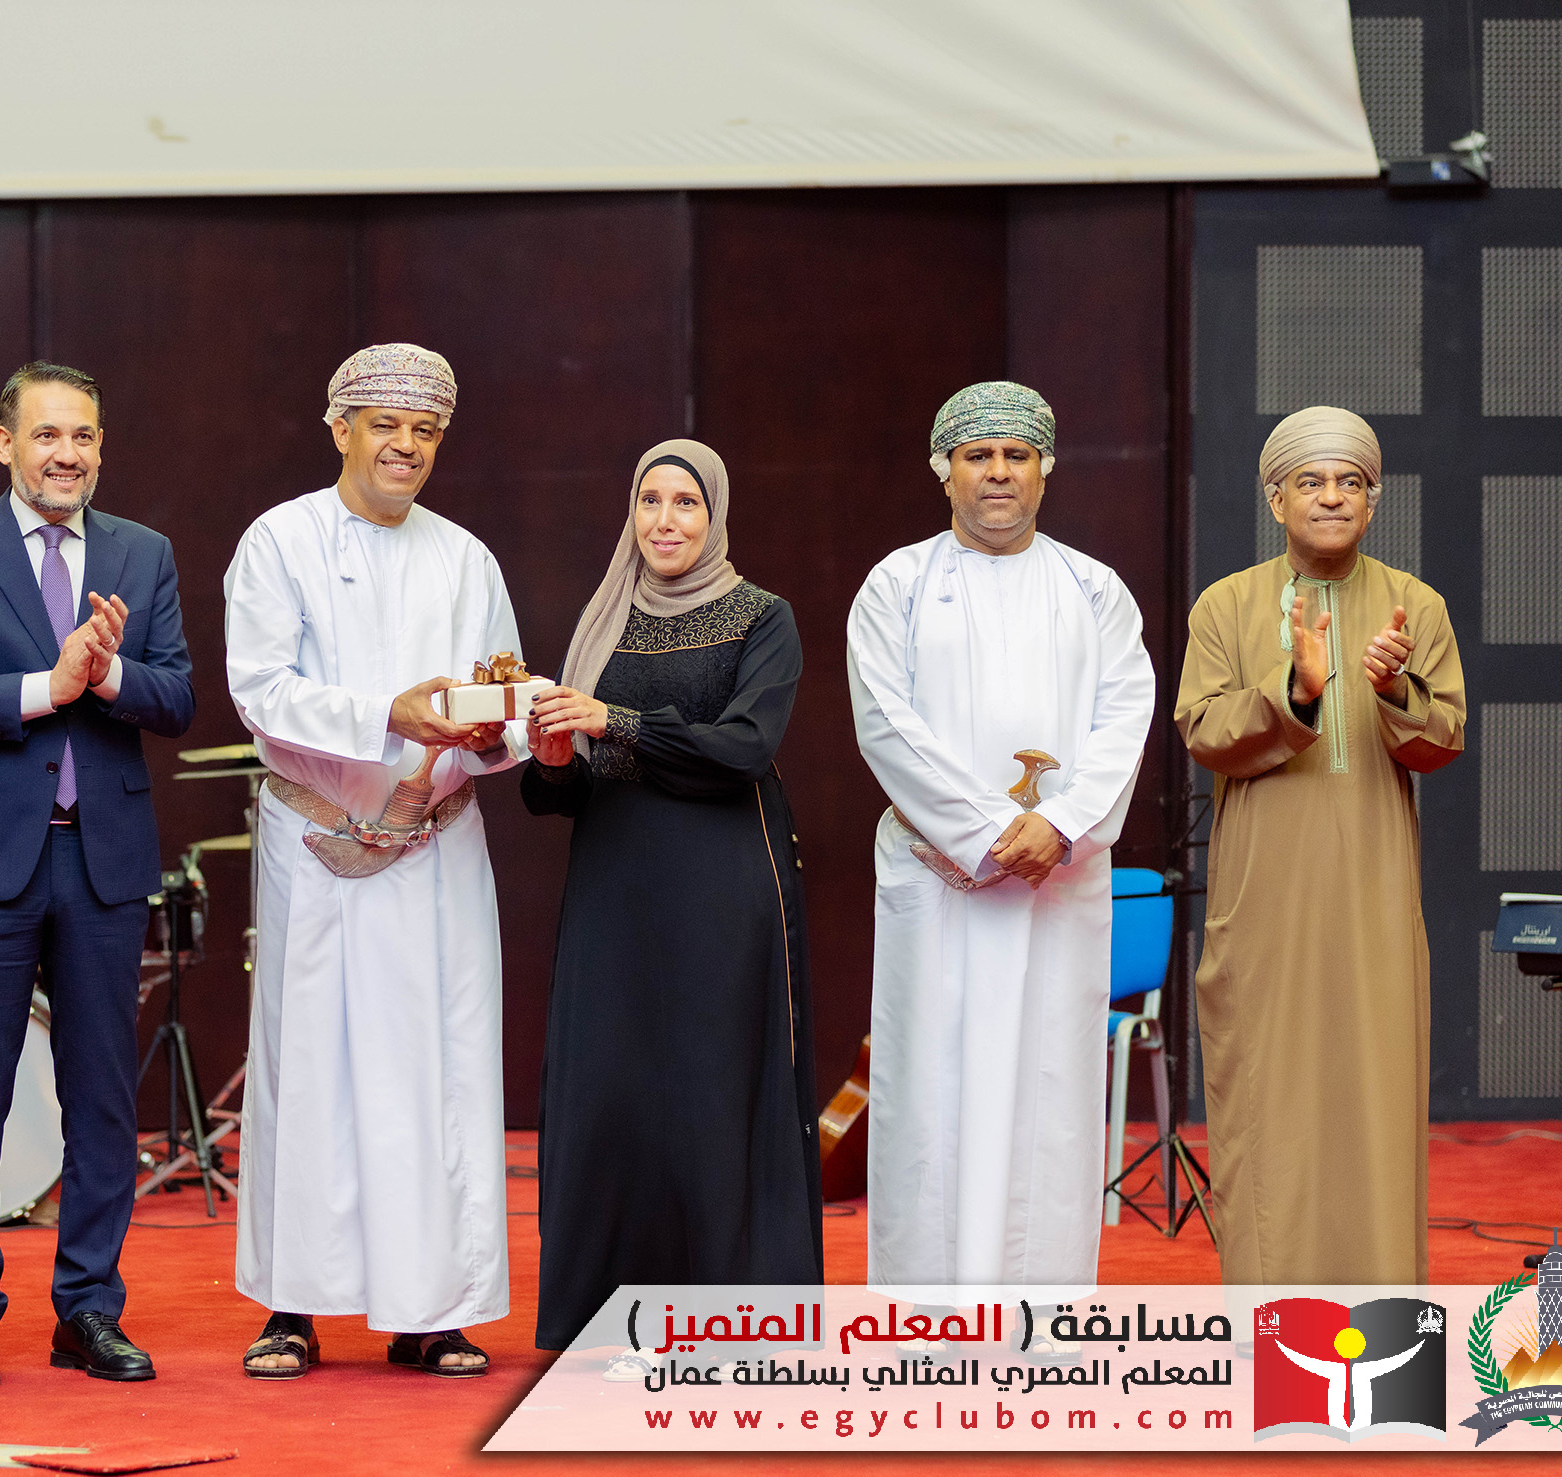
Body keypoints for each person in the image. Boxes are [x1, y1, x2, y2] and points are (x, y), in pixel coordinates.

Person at [0, 361, 195, 1389]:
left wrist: (108, 676)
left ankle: (89, 1310)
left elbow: (177, 698)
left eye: (84, 436)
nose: (67, 454)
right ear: (5, 443)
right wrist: (44, 686)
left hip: (102, 861)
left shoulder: (143, 552)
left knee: (102, 1099)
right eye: (47, 435)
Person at [224, 343, 520, 1379]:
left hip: (437, 845)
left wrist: (495, 731)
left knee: (440, 1070)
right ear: (339, 426)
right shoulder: (280, 540)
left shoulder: (467, 558)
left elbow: (501, 698)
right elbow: (260, 689)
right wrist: (383, 714)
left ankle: (433, 1309)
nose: (405, 445)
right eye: (385, 424)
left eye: (424, 430)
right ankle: (292, 1307)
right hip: (320, 841)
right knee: (309, 1067)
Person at [846, 381, 1155, 1289]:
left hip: (1056, 885)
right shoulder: (897, 584)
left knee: (1050, 1091)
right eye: (976, 455)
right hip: (935, 879)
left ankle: (1040, 1315)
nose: (996, 472)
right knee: (930, 1089)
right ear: (941, 470)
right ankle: (927, 1317)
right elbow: (884, 721)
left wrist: (1057, 825)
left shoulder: (1093, 589)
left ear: (1045, 469)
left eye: (1015, 455)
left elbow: (1123, 717)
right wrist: (985, 832)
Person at [522, 438, 820, 1356]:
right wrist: (554, 757)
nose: (664, 520)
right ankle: (603, 1315)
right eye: (648, 500)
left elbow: (743, 748)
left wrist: (611, 719)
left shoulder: (761, 616)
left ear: (714, 513)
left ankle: (736, 1314)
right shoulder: (602, 619)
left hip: (721, 884)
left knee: (711, 1086)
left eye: (685, 502)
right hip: (613, 883)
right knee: (611, 1089)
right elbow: (564, 791)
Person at [1176, 406, 1463, 1284]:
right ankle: (1271, 1331)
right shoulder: (1226, 605)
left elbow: (1441, 740)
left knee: (1374, 1103)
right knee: (1269, 1106)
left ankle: (1383, 1328)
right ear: (1275, 499)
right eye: (1310, 481)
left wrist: (1394, 688)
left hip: (1372, 898)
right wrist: (1293, 692)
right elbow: (1203, 731)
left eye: (1349, 482)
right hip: (1266, 902)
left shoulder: (1415, 605)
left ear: (1373, 501)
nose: (1331, 497)